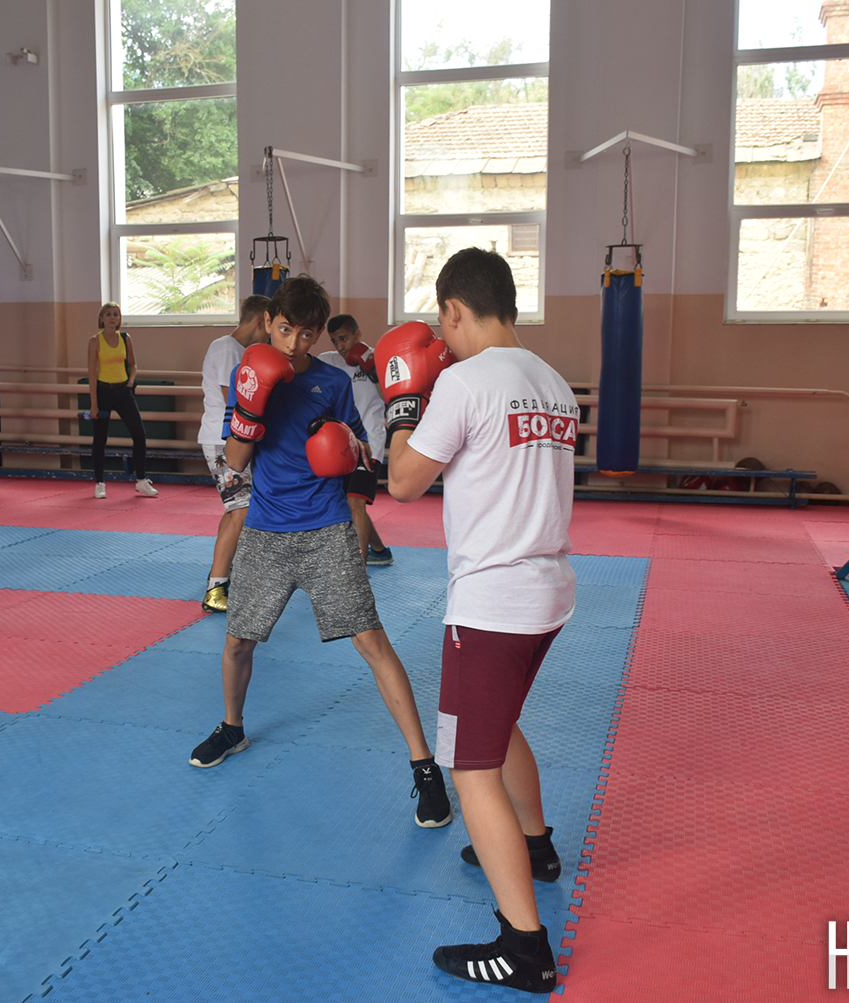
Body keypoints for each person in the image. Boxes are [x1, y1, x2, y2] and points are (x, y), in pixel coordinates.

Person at [187, 274, 452, 830]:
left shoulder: (332, 382)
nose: (293, 344)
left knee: (372, 642)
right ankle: (232, 727)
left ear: (318, 334)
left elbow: (360, 449)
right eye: (285, 330)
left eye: (306, 335)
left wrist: (345, 449)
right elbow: (235, 461)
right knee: (238, 642)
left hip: (327, 528)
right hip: (265, 530)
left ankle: (424, 766)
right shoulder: (248, 374)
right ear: (268, 322)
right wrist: (251, 410)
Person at [384, 248, 580, 994]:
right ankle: (537, 848)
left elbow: (403, 482)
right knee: (498, 727)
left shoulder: (463, 382)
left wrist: (403, 403)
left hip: (493, 602)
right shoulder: (553, 382)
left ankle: (524, 947)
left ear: (454, 310)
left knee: (470, 767)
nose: (443, 337)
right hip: (547, 592)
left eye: (444, 323)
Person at [198, 295, 272, 612]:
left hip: (231, 440)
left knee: (235, 510)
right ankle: (215, 589)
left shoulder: (238, 350)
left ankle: (220, 574)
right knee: (242, 510)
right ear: (259, 321)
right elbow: (238, 399)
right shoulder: (229, 349)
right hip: (224, 441)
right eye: (270, 326)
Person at [321, 314, 394, 565]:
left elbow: (389, 398)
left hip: (369, 443)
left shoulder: (378, 358)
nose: (340, 346)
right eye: (334, 341)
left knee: (355, 501)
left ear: (357, 334)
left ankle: (358, 569)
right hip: (340, 446)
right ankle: (380, 551)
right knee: (350, 501)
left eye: (344, 338)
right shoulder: (328, 361)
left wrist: (372, 370)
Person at [87, 302, 158, 499]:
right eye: (109, 314)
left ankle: (141, 480)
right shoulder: (95, 341)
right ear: (102, 318)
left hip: (124, 391)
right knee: (100, 439)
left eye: (116, 314)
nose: (113, 318)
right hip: (103, 391)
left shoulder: (126, 338)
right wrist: (94, 404)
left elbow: (133, 364)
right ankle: (99, 483)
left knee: (139, 434)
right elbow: (92, 374)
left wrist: (130, 381)